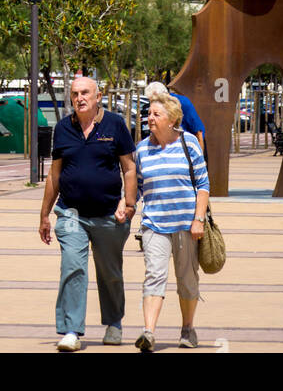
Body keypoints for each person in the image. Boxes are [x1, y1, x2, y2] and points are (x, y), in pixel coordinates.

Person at [39, 75, 136, 351]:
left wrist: (128, 204)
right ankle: (71, 330)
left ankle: (114, 323)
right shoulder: (62, 128)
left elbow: (129, 168)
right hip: (72, 213)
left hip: (109, 214)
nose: (79, 98)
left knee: (110, 272)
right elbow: (54, 174)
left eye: (85, 93)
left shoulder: (115, 124)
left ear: (98, 96)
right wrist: (45, 214)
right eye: (74, 94)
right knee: (72, 267)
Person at [134, 91, 210, 352]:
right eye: (148, 114)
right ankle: (148, 332)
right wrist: (127, 205)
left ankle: (188, 328)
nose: (150, 119)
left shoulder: (189, 143)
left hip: (187, 225)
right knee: (154, 275)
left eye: (156, 114)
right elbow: (139, 187)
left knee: (187, 279)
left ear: (172, 119)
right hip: (154, 224)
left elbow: (203, 185)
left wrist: (198, 219)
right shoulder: (142, 149)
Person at [145, 80, 206, 157]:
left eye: (156, 100)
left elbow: (198, 132)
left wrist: (200, 158)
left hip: (187, 149)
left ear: (164, 95)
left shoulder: (183, 103)